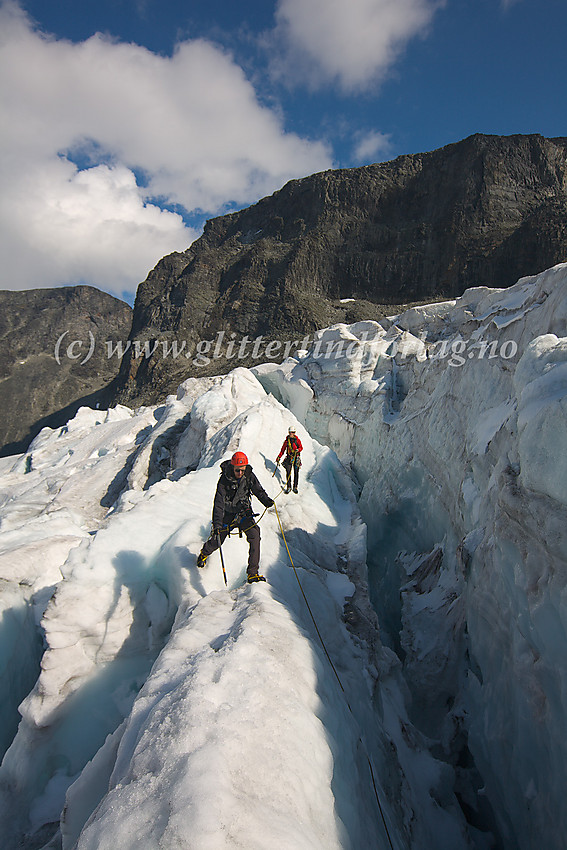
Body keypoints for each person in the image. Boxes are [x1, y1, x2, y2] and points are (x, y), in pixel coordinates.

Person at [197, 451, 274, 583]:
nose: (240, 473)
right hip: (227, 515)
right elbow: (219, 503)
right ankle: (204, 552)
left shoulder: (249, 475)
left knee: (255, 535)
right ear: (232, 467)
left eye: (242, 470)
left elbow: (257, 490)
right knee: (218, 540)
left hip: (243, 513)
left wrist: (266, 500)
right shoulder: (224, 480)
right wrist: (217, 524)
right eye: (237, 470)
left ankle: (252, 573)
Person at [276, 427, 303, 493]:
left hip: (296, 458)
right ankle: (289, 487)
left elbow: (301, 447)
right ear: (289, 432)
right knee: (288, 472)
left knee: (296, 472)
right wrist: (279, 457)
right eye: (291, 432)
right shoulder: (286, 441)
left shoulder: (297, 440)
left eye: (293, 432)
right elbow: (283, 450)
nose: (291, 434)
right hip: (289, 458)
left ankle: (295, 487)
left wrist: (298, 450)